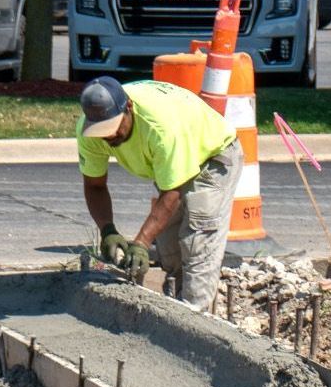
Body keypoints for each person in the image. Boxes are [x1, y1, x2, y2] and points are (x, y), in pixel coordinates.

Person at [77, 77, 243, 312]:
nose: (108, 137)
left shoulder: (161, 128)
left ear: (129, 109)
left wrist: (142, 242)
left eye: (112, 128)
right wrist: (107, 230)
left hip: (212, 156)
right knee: (170, 245)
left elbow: (171, 194)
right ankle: (174, 309)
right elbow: (94, 186)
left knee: (197, 241)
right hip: (174, 159)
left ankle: (195, 319)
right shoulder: (89, 132)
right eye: (101, 132)